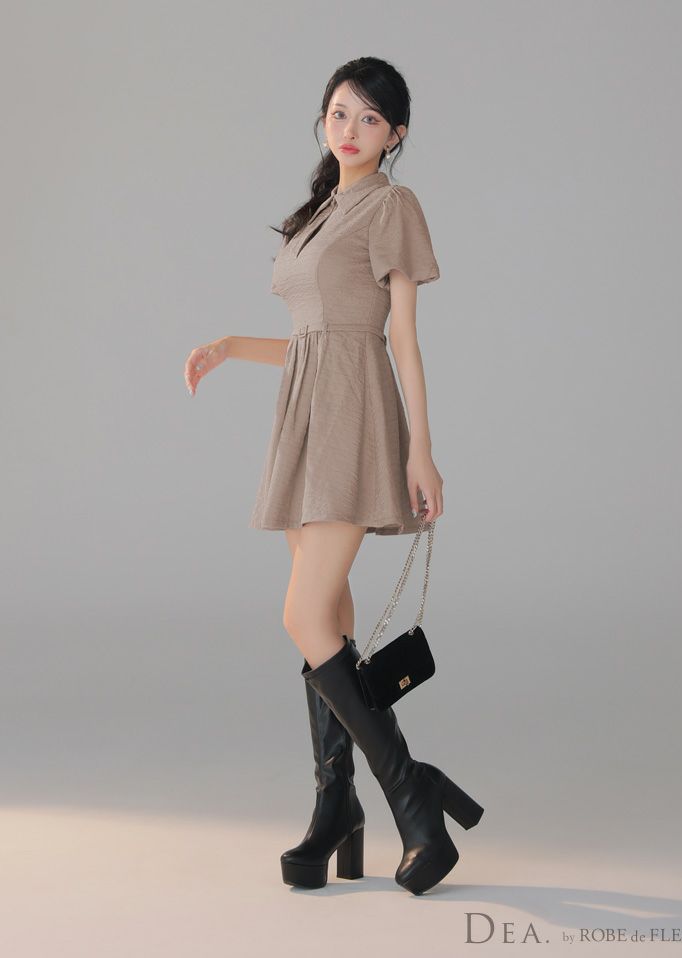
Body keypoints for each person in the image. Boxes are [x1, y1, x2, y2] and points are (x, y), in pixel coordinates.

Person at [183, 56, 483, 896]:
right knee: (332, 622)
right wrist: (230, 347)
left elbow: (399, 338)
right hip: (305, 421)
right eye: (339, 113)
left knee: (303, 615)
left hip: (353, 418)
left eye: (369, 118)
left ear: (396, 135)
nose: (349, 129)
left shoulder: (392, 205)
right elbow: (314, 337)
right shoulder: (318, 213)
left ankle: (412, 800)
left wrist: (422, 448)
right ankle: (336, 806)